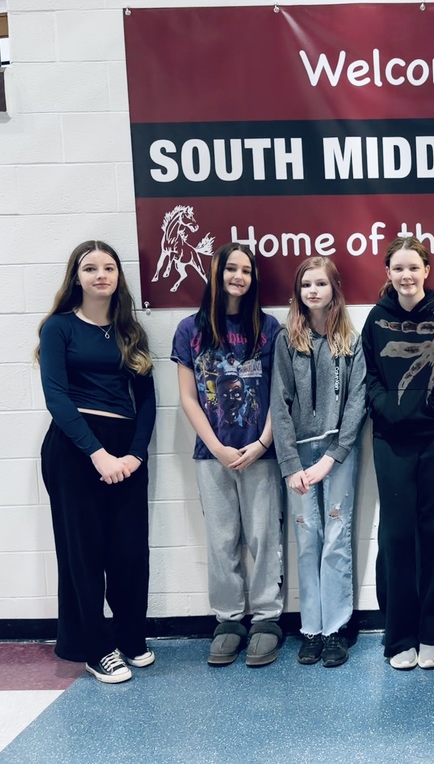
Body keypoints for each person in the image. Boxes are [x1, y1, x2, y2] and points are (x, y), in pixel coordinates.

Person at [37, 240, 156, 684]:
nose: (100, 275)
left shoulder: (130, 332)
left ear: (118, 277)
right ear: (77, 277)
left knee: (128, 551)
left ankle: (130, 636)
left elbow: (146, 401)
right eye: (90, 268)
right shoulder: (59, 328)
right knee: (83, 553)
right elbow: (57, 397)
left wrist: (135, 455)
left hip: (125, 449)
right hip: (75, 448)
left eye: (109, 267)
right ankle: (96, 648)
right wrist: (97, 454)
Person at [362, 236, 434, 670]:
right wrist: (392, 411)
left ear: (427, 271)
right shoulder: (375, 319)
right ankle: (400, 634)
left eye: (414, 268)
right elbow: (368, 378)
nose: (406, 276)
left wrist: (417, 413)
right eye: (398, 269)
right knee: (396, 536)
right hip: (391, 442)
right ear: (388, 274)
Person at [172, 241, 285, 667]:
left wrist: (262, 443)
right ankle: (229, 620)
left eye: (246, 270)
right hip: (211, 453)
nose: (238, 276)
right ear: (216, 275)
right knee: (221, 540)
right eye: (230, 269)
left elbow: (280, 394)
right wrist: (217, 447)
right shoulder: (190, 330)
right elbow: (187, 397)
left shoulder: (269, 328)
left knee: (262, 535)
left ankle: (267, 619)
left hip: (261, 451)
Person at [271, 258, 366, 668]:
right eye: (306, 284)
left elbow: (357, 402)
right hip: (299, 455)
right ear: (298, 291)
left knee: (336, 536)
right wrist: (291, 464)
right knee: (308, 537)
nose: (313, 290)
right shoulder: (286, 339)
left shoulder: (351, 338)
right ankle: (310, 626)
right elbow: (279, 403)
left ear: (334, 289)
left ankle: (336, 628)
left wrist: (333, 457)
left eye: (320, 284)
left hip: (338, 454)